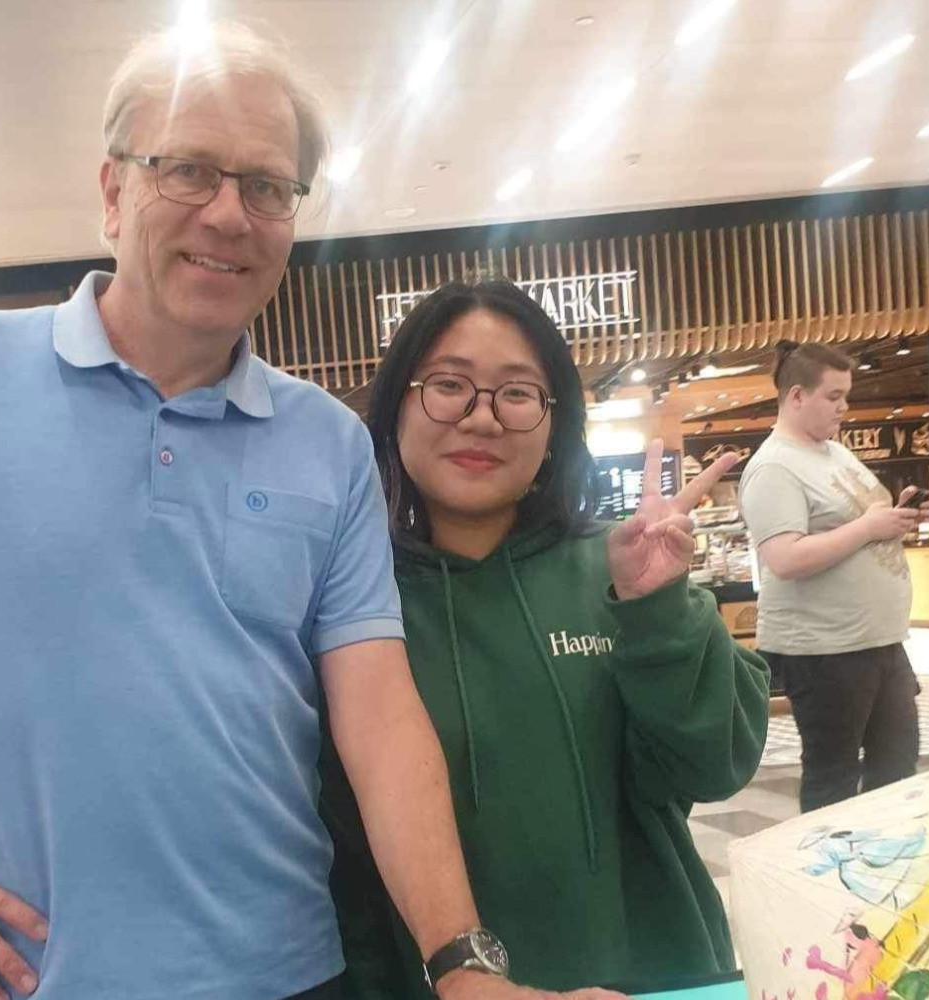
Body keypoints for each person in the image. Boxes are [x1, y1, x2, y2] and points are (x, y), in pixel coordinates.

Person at [0, 22, 619, 1000]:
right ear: (111, 191)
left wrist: (461, 963)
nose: (229, 214)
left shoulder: (328, 444)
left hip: (290, 976)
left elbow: (380, 720)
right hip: (25, 979)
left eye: (267, 186)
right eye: (187, 170)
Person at [324, 280, 770, 996]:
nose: (481, 419)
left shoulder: (620, 565)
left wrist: (658, 611)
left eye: (517, 393)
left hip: (646, 973)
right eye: (448, 385)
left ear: (555, 422)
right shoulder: (352, 603)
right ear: (396, 408)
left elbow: (716, 764)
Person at [737, 341, 929, 814]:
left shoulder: (835, 454)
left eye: (846, 395)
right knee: (834, 777)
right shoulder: (773, 468)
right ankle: (826, 876)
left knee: (897, 765)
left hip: (878, 641)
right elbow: (784, 559)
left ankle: (883, 864)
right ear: (795, 397)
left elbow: (857, 527)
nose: (844, 407)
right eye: (833, 396)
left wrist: (898, 514)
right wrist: (869, 526)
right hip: (825, 650)